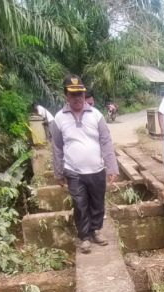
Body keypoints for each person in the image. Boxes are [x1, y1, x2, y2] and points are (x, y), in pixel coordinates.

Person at [50, 75, 118, 254]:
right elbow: (57, 147)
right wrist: (58, 173)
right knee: (80, 205)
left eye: (80, 93)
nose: (78, 98)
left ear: (84, 93)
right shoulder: (59, 119)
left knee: (97, 203)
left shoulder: (96, 115)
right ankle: (85, 237)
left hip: (96, 169)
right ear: (66, 96)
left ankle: (95, 230)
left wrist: (112, 167)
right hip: (74, 171)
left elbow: (106, 142)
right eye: (73, 95)